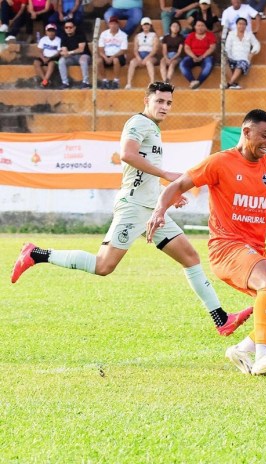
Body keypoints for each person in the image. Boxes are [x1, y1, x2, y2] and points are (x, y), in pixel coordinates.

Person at [11, 82, 252, 340]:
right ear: (146, 100)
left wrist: (169, 195)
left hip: (151, 209)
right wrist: (167, 176)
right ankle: (36, 254)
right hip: (134, 207)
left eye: (169, 103)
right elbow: (127, 154)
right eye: (159, 101)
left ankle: (221, 319)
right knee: (103, 265)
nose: (165, 107)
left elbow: (143, 171)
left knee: (190, 257)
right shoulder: (137, 123)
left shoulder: (153, 129)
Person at [146, 109, 266, 376]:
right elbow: (177, 185)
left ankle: (243, 349)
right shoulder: (219, 162)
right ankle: (263, 357)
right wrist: (159, 210)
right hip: (226, 248)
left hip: (255, 251)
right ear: (246, 132)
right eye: (264, 135)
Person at [178, 18, 216, 89]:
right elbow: (187, 48)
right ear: (195, 27)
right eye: (198, 25)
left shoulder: (210, 35)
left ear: (205, 27)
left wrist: (203, 56)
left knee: (209, 65)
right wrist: (194, 56)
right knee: (182, 64)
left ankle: (198, 82)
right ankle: (193, 81)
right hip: (192, 56)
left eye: (202, 25)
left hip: (206, 56)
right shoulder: (191, 35)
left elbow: (212, 48)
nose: (200, 27)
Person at [224, 16, 259, 89]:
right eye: (240, 24)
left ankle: (229, 83)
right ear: (236, 25)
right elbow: (227, 47)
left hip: (244, 58)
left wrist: (252, 53)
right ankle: (233, 84)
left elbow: (257, 45)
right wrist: (227, 55)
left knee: (242, 63)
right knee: (224, 62)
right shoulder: (231, 34)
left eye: (244, 24)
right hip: (232, 57)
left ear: (246, 26)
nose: (241, 26)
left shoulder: (249, 34)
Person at [125, 17, 159, 90]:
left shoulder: (154, 35)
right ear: (141, 26)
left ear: (150, 26)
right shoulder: (138, 36)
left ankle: (152, 83)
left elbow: (155, 49)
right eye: (144, 25)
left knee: (149, 62)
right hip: (140, 55)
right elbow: (135, 49)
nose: (146, 26)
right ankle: (129, 83)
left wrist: (147, 58)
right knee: (132, 62)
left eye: (147, 24)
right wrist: (138, 58)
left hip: (150, 55)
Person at [57, 19, 91, 89]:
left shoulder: (81, 35)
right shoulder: (64, 38)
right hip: (72, 57)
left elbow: (81, 49)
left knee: (83, 60)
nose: (68, 29)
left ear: (74, 28)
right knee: (61, 61)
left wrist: (69, 52)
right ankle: (65, 83)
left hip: (84, 55)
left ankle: (86, 82)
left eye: (70, 27)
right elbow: (64, 51)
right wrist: (64, 53)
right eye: (66, 27)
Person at [97, 16, 128, 89]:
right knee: (98, 61)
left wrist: (112, 57)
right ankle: (104, 81)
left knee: (115, 60)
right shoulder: (104, 34)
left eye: (115, 24)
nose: (113, 25)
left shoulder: (123, 35)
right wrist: (105, 57)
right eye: (111, 24)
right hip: (106, 55)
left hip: (118, 55)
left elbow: (123, 50)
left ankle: (116, 81)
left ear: (118, 25)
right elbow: (100, 50)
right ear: (109, 25)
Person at [33, 23, 60, 88]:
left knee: (51, 64)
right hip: (44, 57)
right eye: (49, 31)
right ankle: (45, 80)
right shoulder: (43, 39)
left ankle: (44, 82)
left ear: (55, 32)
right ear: (46, 32)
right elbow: (39, 50)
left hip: (54, 58)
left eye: (52, 31)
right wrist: (43, 58)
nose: (51, 33)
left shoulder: (59, 40)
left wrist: (49, 58)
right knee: (36, 63)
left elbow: (59, 52)